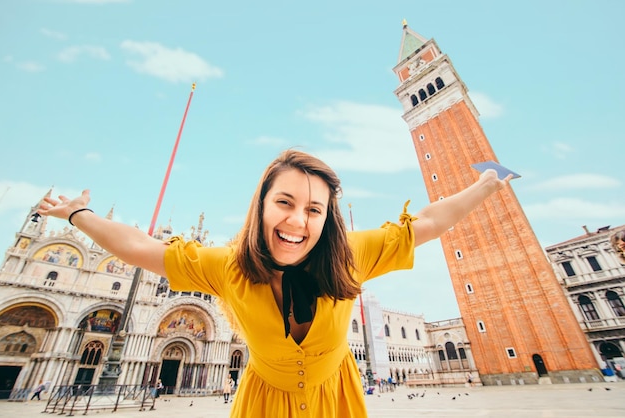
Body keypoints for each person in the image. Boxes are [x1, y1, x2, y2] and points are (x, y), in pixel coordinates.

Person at [38, 149, 511, 417]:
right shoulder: (227, 266)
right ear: (261, 204)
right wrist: (79, 214)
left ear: (326, 219)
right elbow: (142, 249)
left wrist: (487, 184)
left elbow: (427, 223)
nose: (297, 221)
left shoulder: (353, 255)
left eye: (313, 209)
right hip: (263, 403)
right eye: (284, 202)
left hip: (336, 399)